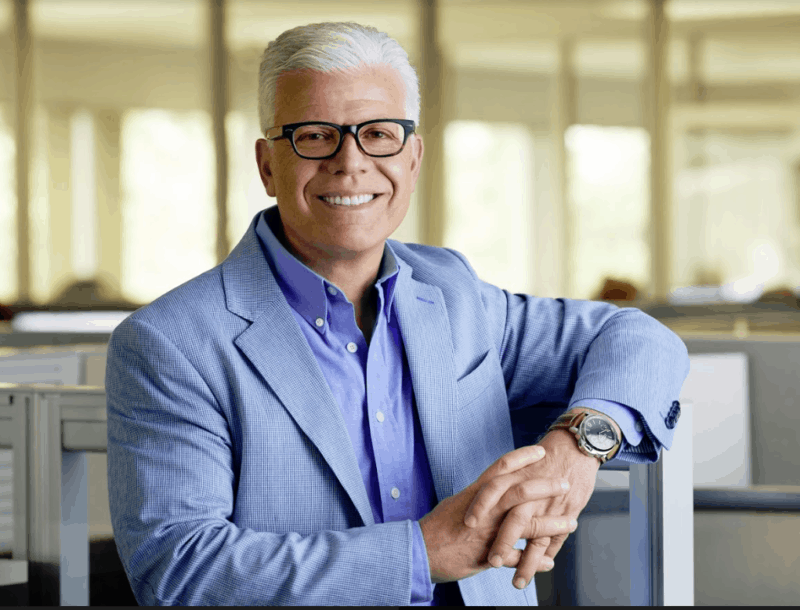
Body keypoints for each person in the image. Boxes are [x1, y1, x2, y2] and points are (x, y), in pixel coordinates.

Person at [106, 22, 690, 606]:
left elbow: (634, 336)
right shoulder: (171, 342)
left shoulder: (454, 293)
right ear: (267, 165)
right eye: (314, 135)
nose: (350, 162)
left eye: (379, 134)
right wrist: (425, 553)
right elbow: (181, 570)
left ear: (412, 159)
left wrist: (578, 449)